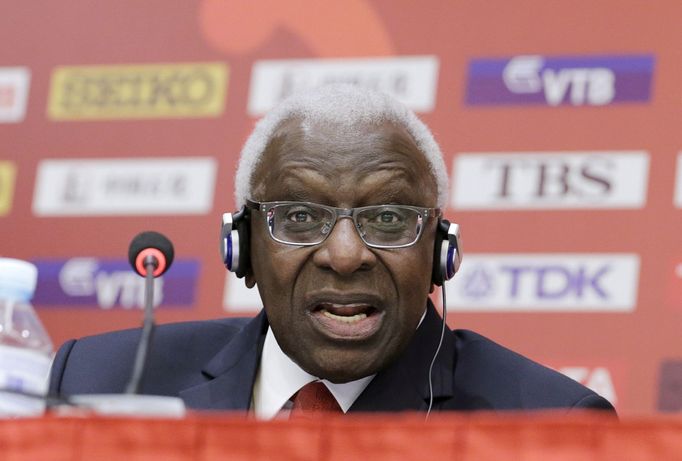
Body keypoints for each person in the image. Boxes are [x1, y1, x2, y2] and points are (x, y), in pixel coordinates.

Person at [49, 84, 615, 418]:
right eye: (299, 217)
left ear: (440, 253)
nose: (345, 256)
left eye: (389, 218)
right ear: (242, 249)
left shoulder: (549, 427)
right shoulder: (102, 381)